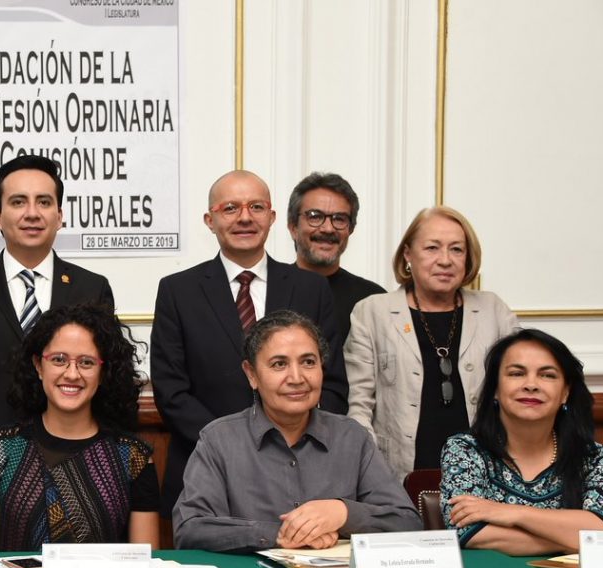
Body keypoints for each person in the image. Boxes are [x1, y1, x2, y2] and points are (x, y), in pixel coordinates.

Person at [152, 169, 348, 519]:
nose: (245, 217)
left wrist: (293, 443)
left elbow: (332, 385)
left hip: (302, 472)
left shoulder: (311, 289)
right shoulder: (177, 291)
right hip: (208, 472)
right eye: (230, 208)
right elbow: (171, 392)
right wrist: (233, 448)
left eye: (256, 207)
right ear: (210, 220)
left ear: (272, 217)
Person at [0, 154, 113, 523]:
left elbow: (107, 386)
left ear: (59, 215)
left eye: (44, 202)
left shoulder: (91, 288)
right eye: (18, 202)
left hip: (75, 467)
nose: (32, 213)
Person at [173, 311, 420, 552]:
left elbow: (407, 523)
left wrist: (343, 513)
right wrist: (278, 535)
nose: (296, 378)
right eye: (279, 364)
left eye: (308, 362)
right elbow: (191, 529)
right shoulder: (219, 440)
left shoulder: (352, 437)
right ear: (252, 374)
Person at [0, 303, 160, 551]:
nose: (72, 374)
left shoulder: (132, 457)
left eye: (86, 362)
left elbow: (145, 562)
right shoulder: (0, 451)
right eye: (59, 360)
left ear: (103, 372)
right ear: (38, 365)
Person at [345, 205, 519, 481]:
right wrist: (373, 474)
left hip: (485, 475)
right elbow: (359, 405)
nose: (445, 260)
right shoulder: (372, 312)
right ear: (408, 254)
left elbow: (521, 385)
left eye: (457, 249)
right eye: (432, 248)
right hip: (398, 475)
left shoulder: (493, 310)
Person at [441, 330, 603, 553]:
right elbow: (469, 532)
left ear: (565, 393)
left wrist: (512, 513)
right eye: (517, 373)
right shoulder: (465, 449)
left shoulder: (593, 457)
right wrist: (576, 539)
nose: (531, 385)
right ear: (495, 389)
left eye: (547, 375)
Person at [287, 171, 385, 344]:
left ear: (350, 229)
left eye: (339, 219)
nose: (328, 229)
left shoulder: (373, 300)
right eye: (315, 216)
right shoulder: (269, 292)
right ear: (293, 227)